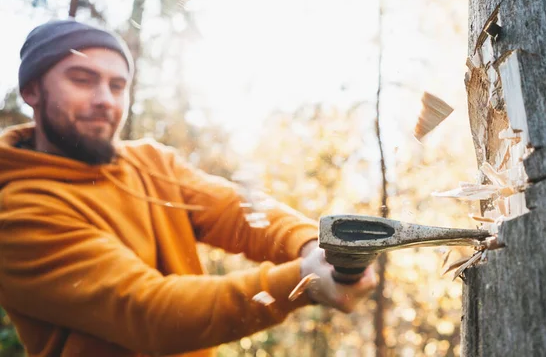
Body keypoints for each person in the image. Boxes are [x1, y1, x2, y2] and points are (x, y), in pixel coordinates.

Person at [0, 20, 376, 357]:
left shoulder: (149, 162)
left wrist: (314, 245)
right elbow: (150, 314)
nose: (105, 100)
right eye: (82, 79)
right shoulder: (18, 215)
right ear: (32, 90)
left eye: (118, 85)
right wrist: (302, 282)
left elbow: (238, 211)